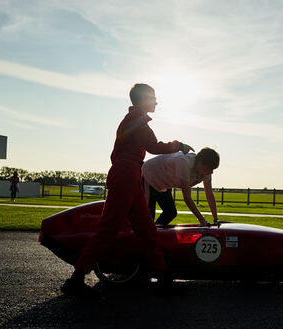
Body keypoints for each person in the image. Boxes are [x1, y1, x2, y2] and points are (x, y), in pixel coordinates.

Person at [61, 83, 193, 296]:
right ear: (142, 100)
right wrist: (179, 145)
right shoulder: (137, 120)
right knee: (108, 228)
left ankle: (163, 277)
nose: (156, 102)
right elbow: (154, 146)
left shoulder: (135, 119)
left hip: (131, 174)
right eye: (153, 98)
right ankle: (76, 280)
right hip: (126, 174)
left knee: (146, 227)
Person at [142, 148, 220, 226]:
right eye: (209, 169)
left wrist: (215, 219)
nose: (211, 172)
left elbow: (209, 194)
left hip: (164, 182)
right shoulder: (184, 162)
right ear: (200, 163)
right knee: (148, 217)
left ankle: (154, 232)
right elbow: (187, 198)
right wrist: (202, 220)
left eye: (212, 169)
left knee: (170, 212)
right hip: (149, 175)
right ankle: (148, 233)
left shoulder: (206, 171)